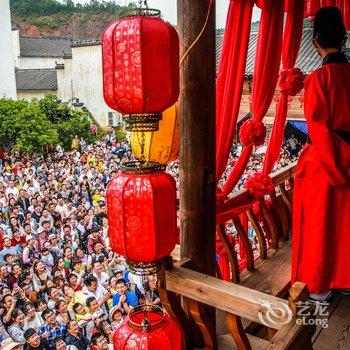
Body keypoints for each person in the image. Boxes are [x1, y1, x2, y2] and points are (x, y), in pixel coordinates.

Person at [291, 7, 350, 302]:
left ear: (315, 41)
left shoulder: (318, 79)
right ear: (343, 36)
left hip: (327, 164)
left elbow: (319, 130)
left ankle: (318, 285)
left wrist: (336, 166)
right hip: (347, 156)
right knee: (345, 223)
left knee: (319, 223)